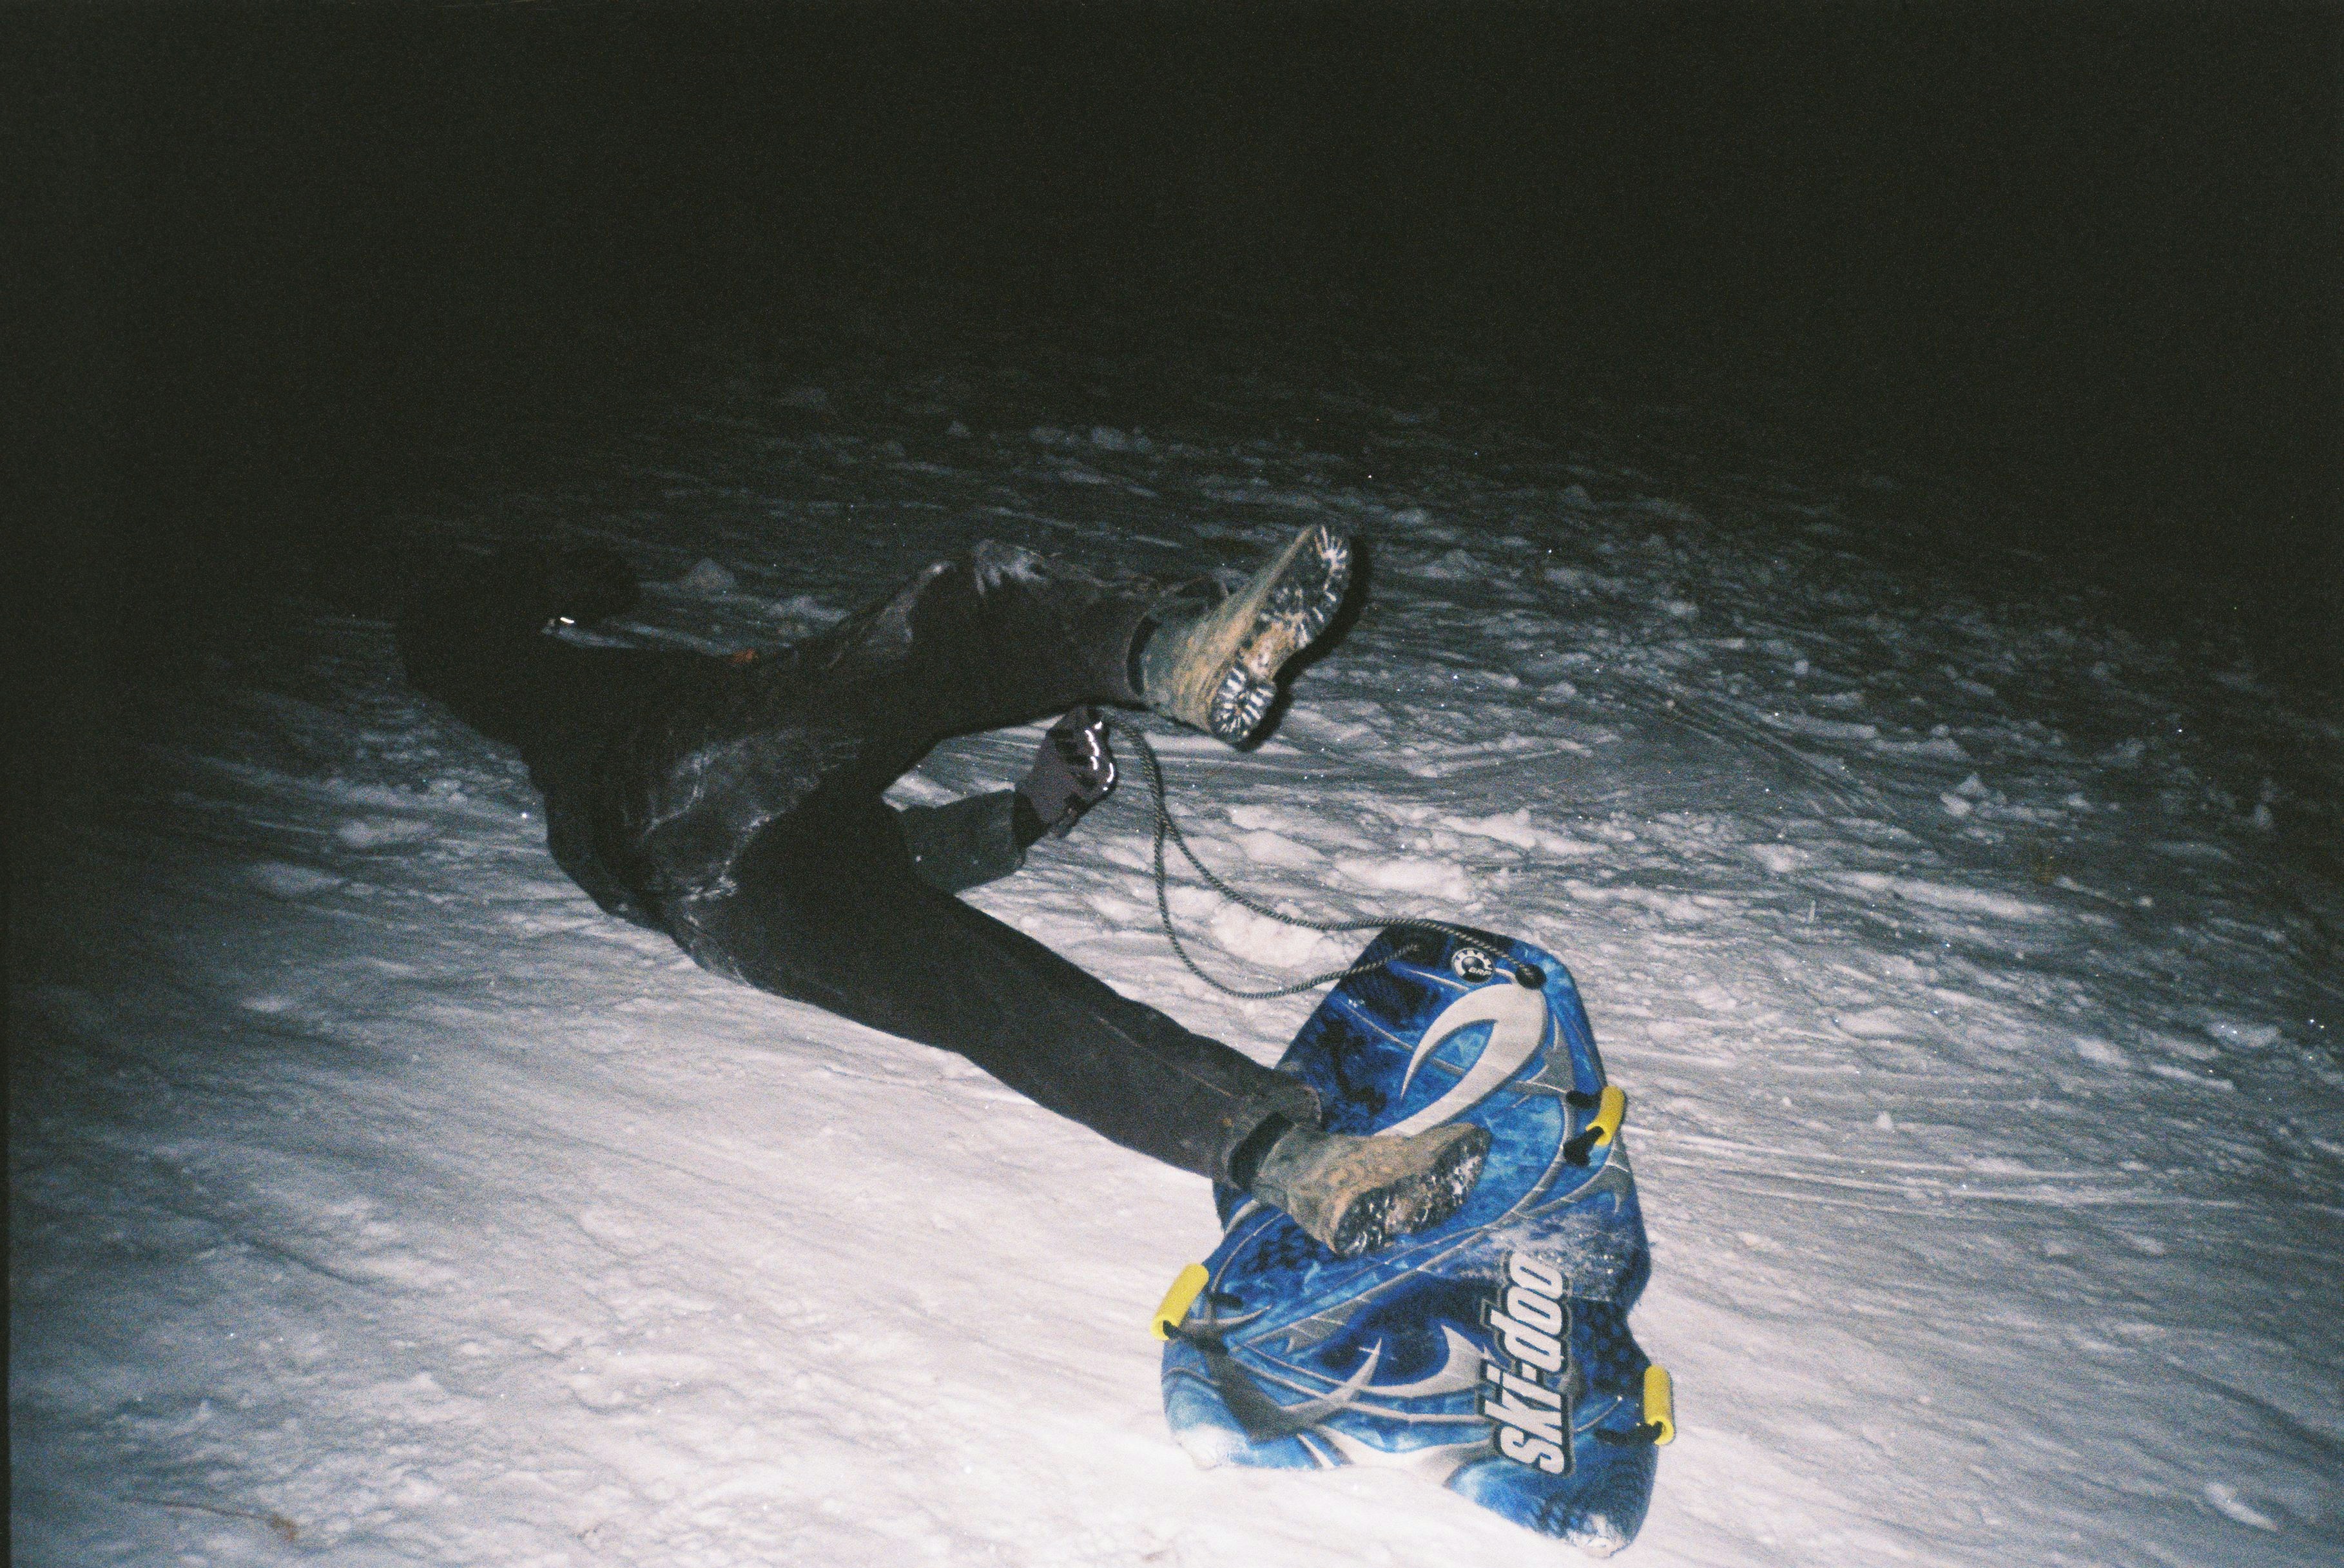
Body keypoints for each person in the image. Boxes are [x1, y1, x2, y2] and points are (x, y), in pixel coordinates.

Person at [397, 524, 1488, 1257]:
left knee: (991, 996)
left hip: (719, 903)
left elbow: (890, 855)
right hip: (666, 784)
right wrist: (551, 581)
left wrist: (1027, 812)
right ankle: (1170, 654)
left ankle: (1298, 1164)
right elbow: (445, 638)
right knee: (957, 612)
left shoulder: (743, 789)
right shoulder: (581, 697)